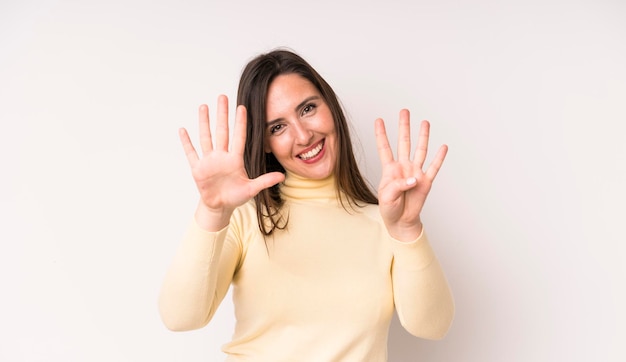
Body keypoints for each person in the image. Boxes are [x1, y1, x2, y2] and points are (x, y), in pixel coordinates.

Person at [158, 49, 454, 361]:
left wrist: (407, 229)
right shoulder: (246, 219)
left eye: (308, 108)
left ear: (330, 106)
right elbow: (180, 317)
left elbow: (433, 326)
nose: (303, 135)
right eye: (277, 127)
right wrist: (213, 212)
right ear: (264, 144)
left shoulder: (387, 223)